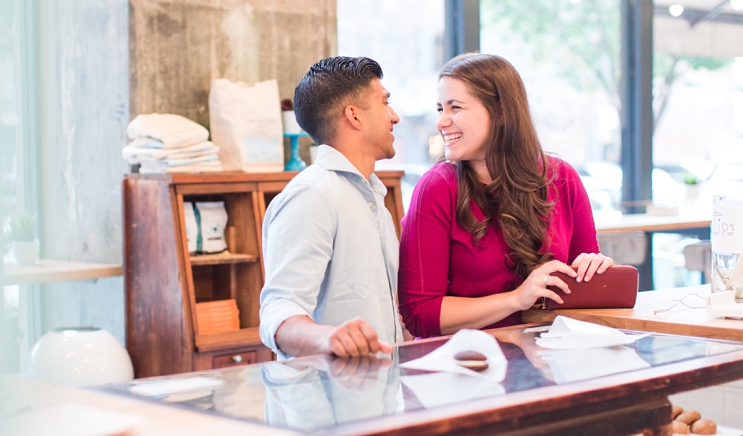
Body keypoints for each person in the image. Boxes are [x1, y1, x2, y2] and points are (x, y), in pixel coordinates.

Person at [399, 53, 612, 337]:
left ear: (500, 112)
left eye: (455, 108)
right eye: (440, 109)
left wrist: (593, 269)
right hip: (467, 366)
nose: (441, 122)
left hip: (549, 359)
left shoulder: (563, 178)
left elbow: (580, 294)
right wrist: (516, 299)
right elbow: (418, 313)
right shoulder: (436, 188)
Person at [259, 56, 404, 358]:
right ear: (354, 116)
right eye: (384, 102)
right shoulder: (312, 196)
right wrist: (329, 338)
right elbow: (278, 311)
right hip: (328, 399)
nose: (394, 116)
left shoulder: (374, 197)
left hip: (380, 396)